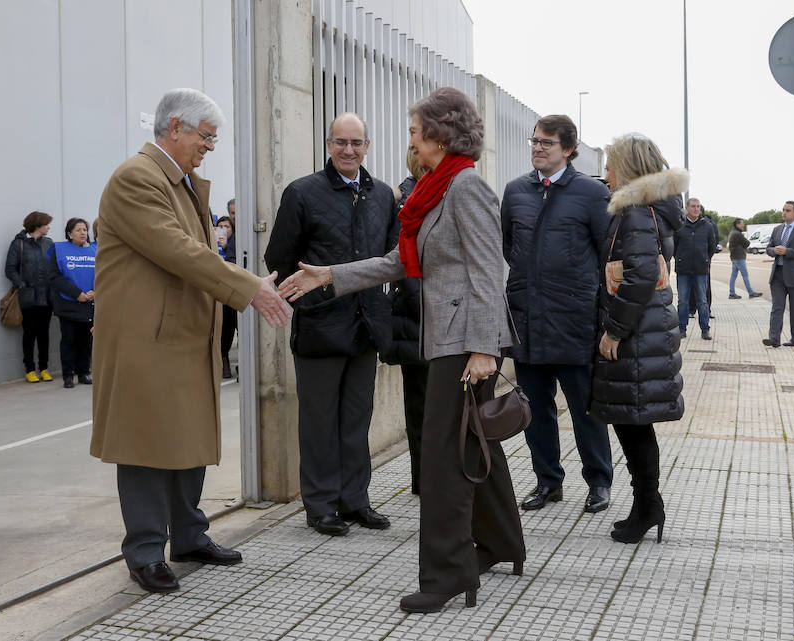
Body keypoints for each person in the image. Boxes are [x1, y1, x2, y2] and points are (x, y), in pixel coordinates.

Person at [278, 87, 526, 614]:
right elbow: (398, 260)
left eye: (414, 130)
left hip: (466, 344)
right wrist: (330, 274)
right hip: (452, 339)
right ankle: (503, 543)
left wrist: (484, 348)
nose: (409, 139)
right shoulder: (436, 189)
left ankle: (447, 575)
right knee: (470, 445)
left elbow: (490, 271)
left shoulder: (465, 187)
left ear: (440, 133)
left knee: (441, 460)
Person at [90, 88, 292, 595]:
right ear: (174, 127)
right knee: (145, 446)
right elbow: (178, 251)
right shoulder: (136, 178)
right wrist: (249, 288)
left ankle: (189, 535)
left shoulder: (179, 181)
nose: (210, 147)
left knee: (186, 441)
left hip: (179, 335)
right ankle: (144, 552)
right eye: (206, 136)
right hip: (147, 340)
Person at [265, 112, 398, 538]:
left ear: (367, 147)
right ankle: (321, 505)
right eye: (340, 142)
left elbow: (388, 258)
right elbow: (280, 259)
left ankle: (355, 500)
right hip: (322, 326)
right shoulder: (302, 193)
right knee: (320, 421)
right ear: (328, 145)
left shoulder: (382, 196)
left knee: (357, 419)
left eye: (357, 143)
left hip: (366, 327)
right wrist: (316, 294)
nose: (348, 150)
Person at [501, 115, 614, 515]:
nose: (538, 148)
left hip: (574, 321)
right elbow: (509, 246)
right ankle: (548, 482)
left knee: (586, 409)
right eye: (534, 141)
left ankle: (599, 482)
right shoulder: (516, 191)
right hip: (528, 321)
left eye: (547, 142)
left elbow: (607, 255)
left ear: (568, 149)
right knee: (535, 411)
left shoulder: (590, 193)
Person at [592, 133, 687, 544]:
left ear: (628, 168)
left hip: (635, 335)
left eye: (611, 164)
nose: (606, 172)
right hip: (643, 332)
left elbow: (642, 275)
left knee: (633, 424)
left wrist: (614, 330)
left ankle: (648, 505)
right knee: (632, 422)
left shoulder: (636, 213)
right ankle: (646, 504)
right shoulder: (647, 211)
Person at [379, 148, 427, 495]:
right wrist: (425, 304)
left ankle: (431, 476)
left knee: (432, 404)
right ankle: (424, 480)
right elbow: (400, 262)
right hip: (417, 316)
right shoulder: (403, 200)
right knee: (421, 403)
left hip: (434, 316)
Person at [5, 211, 55, 383]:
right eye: (46, 224)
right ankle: (30, 368)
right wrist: (21, 285)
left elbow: (54, 267)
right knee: (29, 333)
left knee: (44, 334)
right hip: (28, 297)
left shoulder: (48, 243)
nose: (49, 227)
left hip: (46, 297)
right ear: (37, 225)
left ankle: (44, 367)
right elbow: (10, 269)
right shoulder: (18, 244)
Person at [47, 218, 96, 388]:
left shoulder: (94, 250)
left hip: (89, 303)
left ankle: (84, 372)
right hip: (68, 304)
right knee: (69, 340)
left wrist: (95, 291)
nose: (83, 233)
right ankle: (68, 375)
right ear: (69, 233)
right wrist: (77, 294)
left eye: (85, 229)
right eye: (78, 230)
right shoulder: (59, 249)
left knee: (86, 340)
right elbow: (54, 277)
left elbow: (104, 274)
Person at [674, 197, 716, 340]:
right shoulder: (679, 226)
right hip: (683, 270)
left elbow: (712, 247)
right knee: (683, 301)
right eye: (693, 206)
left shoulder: (707, 226)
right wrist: (679, 259)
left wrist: (705, 260)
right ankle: (681, 328)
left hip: (700, 270)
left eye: (698, 206)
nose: (696, 209)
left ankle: (705, 329)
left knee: (702, 301)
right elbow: (673, 246)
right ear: (687, 208)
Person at [762, 201, 794, 348]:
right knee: (777, 307)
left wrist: (788, 252)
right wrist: (774, 251)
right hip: (778, 275)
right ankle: (774, 338)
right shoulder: (777, 229)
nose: (784, 213)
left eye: (788, 210)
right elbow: (769, 248)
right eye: (783, 210)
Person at [215, 215, 237, 378]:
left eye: (227, 226)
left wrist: (227, 247)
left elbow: (234, 264)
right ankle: (224, 362)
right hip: (222, 295)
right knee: (226, 330)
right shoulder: (213, 243)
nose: (224, 230)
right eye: (220, 226)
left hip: (236, 292)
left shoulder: (236, 243)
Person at [727, 218, 762, 299]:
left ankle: (732, 293)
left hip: (734, 257)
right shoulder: (737, 234)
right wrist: (742, 245)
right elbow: (747, 243)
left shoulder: (732, 233)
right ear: (737, 224)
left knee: (733, 276)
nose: (743, 225)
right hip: (739, 257)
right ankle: (751, 292)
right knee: (745, 275)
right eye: (742, 223)